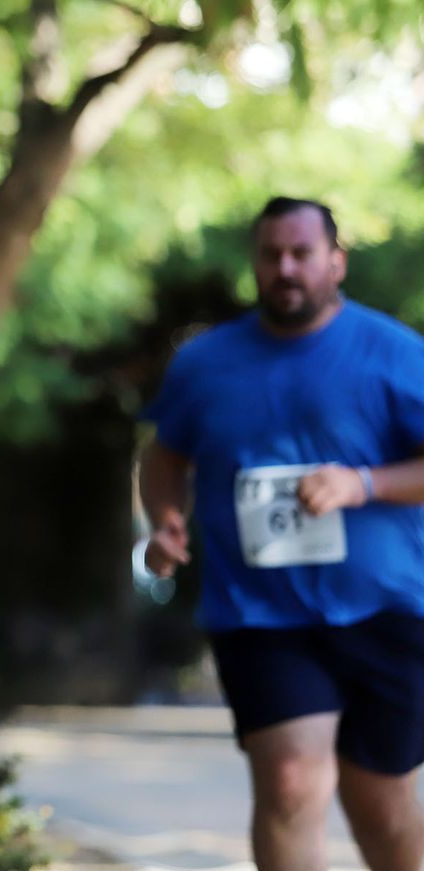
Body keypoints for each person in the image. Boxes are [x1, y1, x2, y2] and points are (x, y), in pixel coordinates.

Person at [141, 196, 424, 871]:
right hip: (259, 610)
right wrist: (164, 518)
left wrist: (363, 483)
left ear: (336, 261)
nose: (286, 268)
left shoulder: (395, 352)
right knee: (292, 780)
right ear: (255, 263)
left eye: (302, 253)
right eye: (271, 255)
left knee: (381, 807)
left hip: (386, 607)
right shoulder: (205, 363)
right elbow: (164, 454)